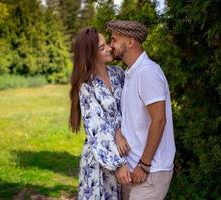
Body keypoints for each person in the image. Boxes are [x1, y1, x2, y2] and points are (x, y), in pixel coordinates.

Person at [106, 20, 176, 200]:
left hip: (150, 171)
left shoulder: (147, 72)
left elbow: (159, 121)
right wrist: (119, 133)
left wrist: (144, 165)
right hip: (132, 169)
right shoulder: (132, 73)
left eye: (114, 40)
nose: (110, 45)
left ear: (130, 42)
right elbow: (134, 119)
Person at [69, 27, 131, 199]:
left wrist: (119, 130)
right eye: (102, 47)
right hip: (100, 159)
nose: (109, 48)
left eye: (107, 45)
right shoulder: (87, 87)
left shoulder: (119, 74)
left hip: (123, 153)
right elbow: (98, 128)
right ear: (90, 54)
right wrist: (118, 164)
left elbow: (130, 110)